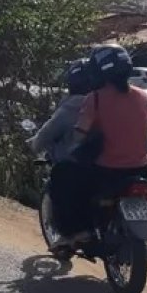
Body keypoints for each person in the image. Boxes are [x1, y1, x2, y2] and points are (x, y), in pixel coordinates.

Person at [64, 44, 147, 247]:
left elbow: (79, 136)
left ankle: (80, 232)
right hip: (142, 169)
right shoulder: (144, 97)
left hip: (107, 171)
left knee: (69, 181)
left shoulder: (94, 99)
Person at [28, 61, 92, 243]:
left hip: (76, 165)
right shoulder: (107, 101)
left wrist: (34, 145)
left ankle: (68, 235)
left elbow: (46, 134)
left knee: (59, 185)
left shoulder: (71, 106)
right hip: (110, 164)